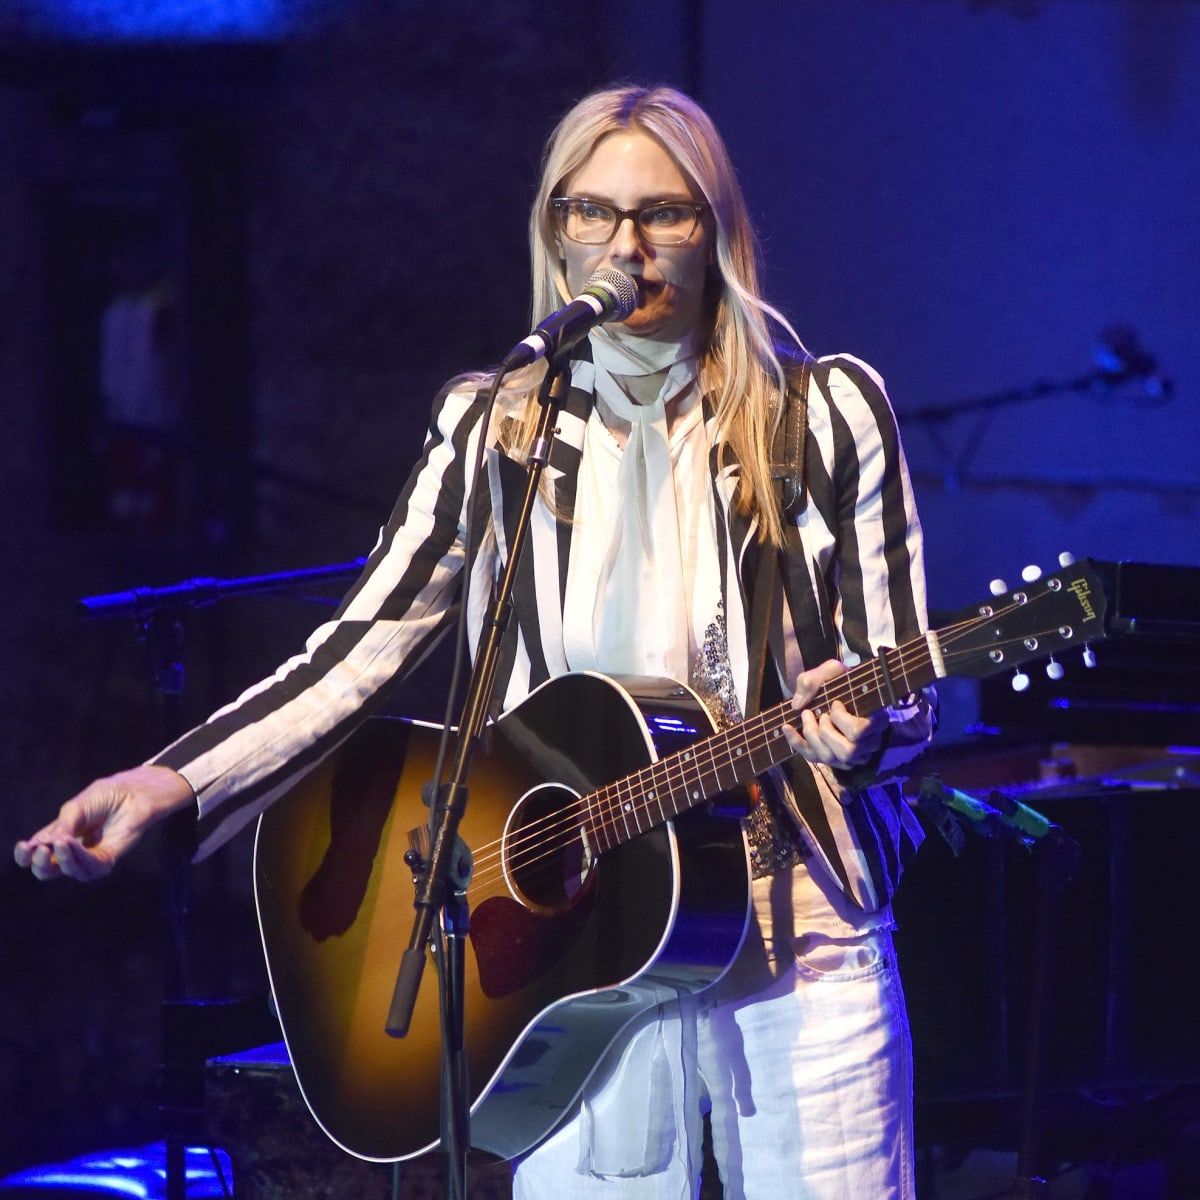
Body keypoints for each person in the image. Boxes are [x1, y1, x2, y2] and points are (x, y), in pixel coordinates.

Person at [16, 85, 936, 1198]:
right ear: (556, 232)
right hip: (579, 945)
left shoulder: (823, 412)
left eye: (663, 214)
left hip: (799, 935)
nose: (626, 245)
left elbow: (899, 678)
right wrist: (172, 780)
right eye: (592, 212)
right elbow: (361, 648)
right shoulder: (496, 422)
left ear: (717, 230)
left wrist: (864, 722)